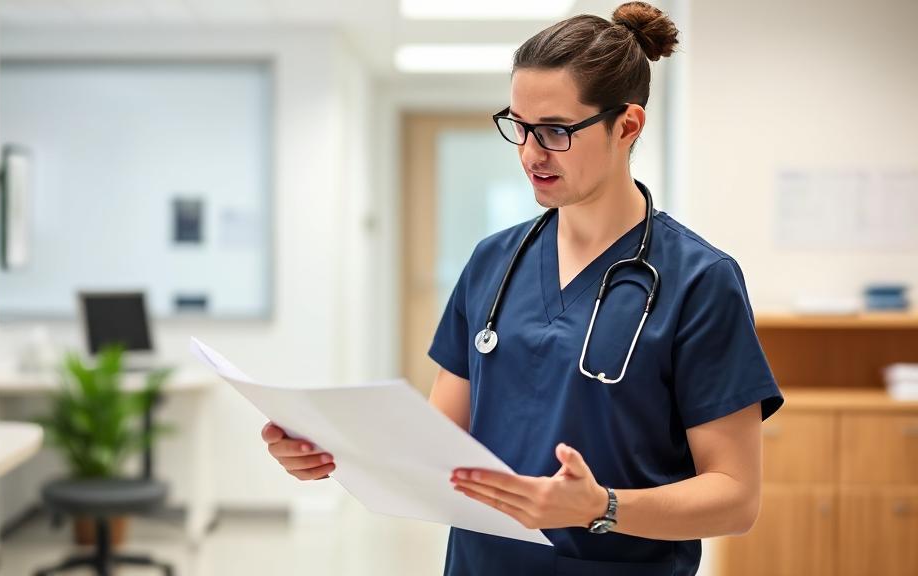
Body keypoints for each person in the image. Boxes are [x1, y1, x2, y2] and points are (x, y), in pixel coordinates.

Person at [261, 2, 783, 574]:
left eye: (555, 131)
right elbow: (438, 442)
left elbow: (735, 497)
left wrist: (600, 507)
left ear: (627, 125)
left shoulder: (700, 282)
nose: (530, 154)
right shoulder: (493, 262)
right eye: (519, 126)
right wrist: (336, 450)